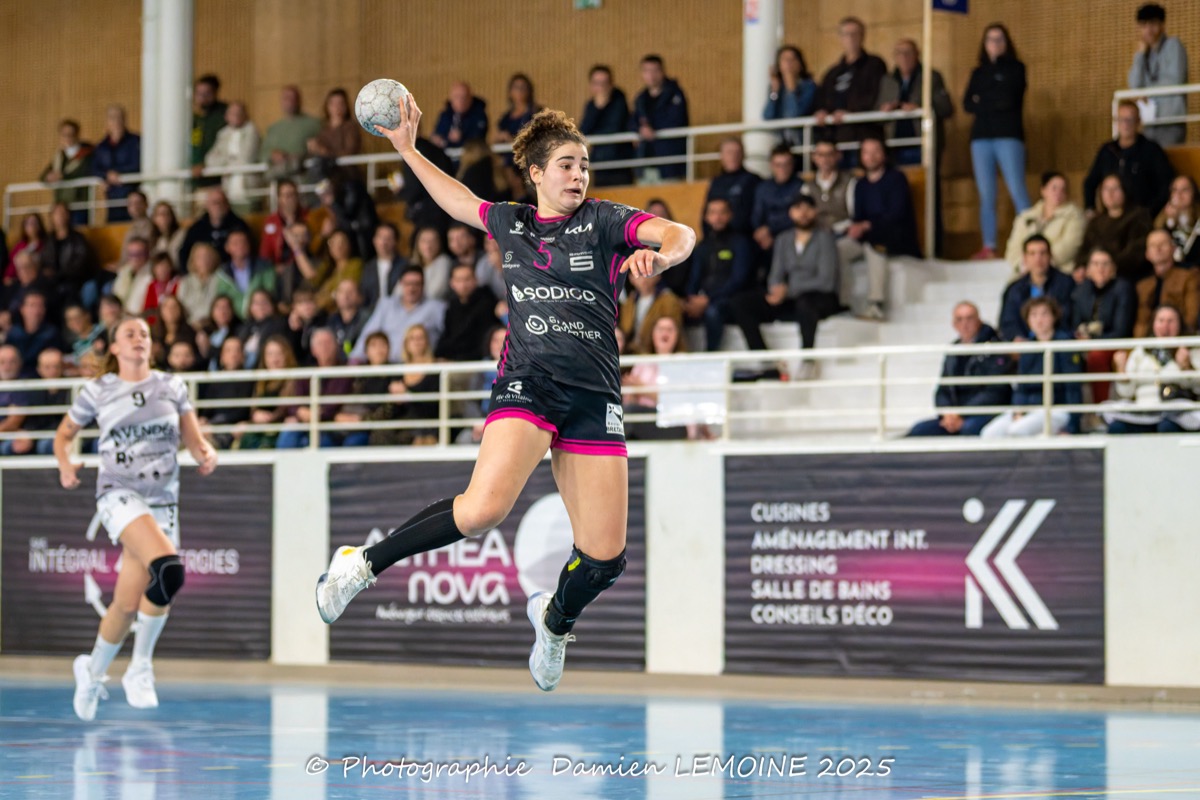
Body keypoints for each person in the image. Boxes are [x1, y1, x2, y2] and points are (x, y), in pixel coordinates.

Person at [316, 98, 694, 693]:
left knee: (606, 559)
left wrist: (663, 255)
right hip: (529, 381)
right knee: (482, 511)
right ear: (537, 173)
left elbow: (679, 232)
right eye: (566, 165)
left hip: (594, 394)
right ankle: (360, 564)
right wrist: (407, 149)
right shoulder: (512, 224)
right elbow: (456, 199)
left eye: (584, 165)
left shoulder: (604, 221)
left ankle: (554, 621)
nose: (579, 175)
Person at [56, 316, 217, 721]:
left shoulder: (172, 386)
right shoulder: (98, 390)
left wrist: (206, 453)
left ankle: (91, 672)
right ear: (114, 347)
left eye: (144, 333)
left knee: (126, 604)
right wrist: (65, 463)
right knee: (170, 571)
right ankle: (140, 667)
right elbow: (63, 435)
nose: (138, 338)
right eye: (129, 334)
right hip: (118, 494)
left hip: (163, 501)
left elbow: (194, 439)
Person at [729, 194, 840, 377]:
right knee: (740, 303)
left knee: (806, 303)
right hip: (789, 299)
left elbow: (826, 281)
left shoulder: (825, 239)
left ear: (815, 212)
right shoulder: (783, 239)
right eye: (798, 209)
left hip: (819, 297)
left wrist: (788, 290)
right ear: (790, 213)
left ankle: (808, 360)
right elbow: (775, 274)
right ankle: (766, 361)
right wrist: (776, 289)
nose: (803, 213)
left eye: (807, 209)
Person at [963, 24, 1030, 260]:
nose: (995, 44)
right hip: (981, 138)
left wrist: (983, 101)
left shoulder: (1016, 69)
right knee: (986, 194)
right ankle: (989, 245)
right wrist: (992, 100)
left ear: (1007, 42)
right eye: (990, 39)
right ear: (984, 44)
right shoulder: (978, 72)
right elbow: (967, 103)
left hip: (1008, 136)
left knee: (1017, 188)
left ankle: (1031, 241)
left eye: (999, 39)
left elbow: (1009, 99)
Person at [907, 302, 1012, 437]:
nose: (965, 324)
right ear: (954, 324)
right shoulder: (953, 351)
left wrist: (962, 413)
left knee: (968, 429)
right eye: (959, 319)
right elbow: (942, 390)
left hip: (985, 413)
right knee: (919, 430)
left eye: (969, 318)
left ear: (978, 321)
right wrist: (948, 413)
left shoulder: (994, 348)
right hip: (956, 415)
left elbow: (995, 392)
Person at [982, 298, 1083, 438]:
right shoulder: (1028, 348)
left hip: (1056, 408)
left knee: (1017, 430)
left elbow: (1072, 387)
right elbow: (1021, 387)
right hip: (1030, 409)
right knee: (989, 433)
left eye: (1044, 314)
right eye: (1034, 315)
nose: (1039, 320)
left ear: (1054, 317)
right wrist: (1018, 411)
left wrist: (1072, 426)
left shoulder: (1065, 345)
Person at [844, 136, 920, 321]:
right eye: (866, 152)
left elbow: (896, 214)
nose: (871, 156)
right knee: (839, 249)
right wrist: (856, 227)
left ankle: (876, 303)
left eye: (876, 151)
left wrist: (868, 225)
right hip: (866, 235)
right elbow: (858, 216)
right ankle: (843, 302)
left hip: (896, 235)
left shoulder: (896, 179)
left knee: (874, 244)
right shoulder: (860, 185)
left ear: (884, 154)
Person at [1105, 305, 1200, 433]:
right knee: (1116, 427)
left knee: (1166, 426)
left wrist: (1187, 367)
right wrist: (1121, 370)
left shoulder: (1191, 349)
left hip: (1176, 412)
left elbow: (1197, 388)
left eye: (1171, 321)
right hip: (1143, 410)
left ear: (1180, 325)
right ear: (1153, 324)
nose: (1165, 326)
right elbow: (1126, 393)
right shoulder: (1140, 351)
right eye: (1161, 320)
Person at [813, 17, 888, 164]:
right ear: (840, 38)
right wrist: (821, 111)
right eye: (846, 34)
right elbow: (821, 99)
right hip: (835, 138)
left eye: (855, 34)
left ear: (862, 36)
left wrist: (851, 111)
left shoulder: (875, 65)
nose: (851, 38)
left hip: (862, 135)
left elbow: (875, 96)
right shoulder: (832, 73)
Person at [1082, 101, 1174, 217]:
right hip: (1111, 217)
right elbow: (1090, 182)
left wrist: (1149, 212)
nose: (1125, 124)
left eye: (1130, 120)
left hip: (1140, 216)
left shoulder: (1151, 150)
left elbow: (1166, 184)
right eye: (1121, 119)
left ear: (1138, 122)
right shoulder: (1107, 151)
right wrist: (1090, 209)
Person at [688, 198, 754, 352]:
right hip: (704, 300)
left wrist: (709, 299)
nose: (717, 217)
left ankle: (710, 356)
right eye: (713, 213)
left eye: (722, 212)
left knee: (713, 312)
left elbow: (738, 280)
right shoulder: (702, 247)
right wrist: (690, 299)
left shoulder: (740, 243)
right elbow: (694, 277)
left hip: (730, 300)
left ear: (730, 215)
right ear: (706, 217)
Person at [1072, 246, 1136, 404]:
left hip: (1113, 343)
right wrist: (1080, 337)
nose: (1100, 268)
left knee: (1096, 356)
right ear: (1088, 269)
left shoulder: (1123, 289)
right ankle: (1071, 410)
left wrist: (1092, 341)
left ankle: (1101, 407)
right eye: (1095, 264)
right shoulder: (1080, 291)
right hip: (1085, 343)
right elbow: (1075, 323)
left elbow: (1121, 330)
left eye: (1105, 264)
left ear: (1113, 268)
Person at [877, 38, 954, 167]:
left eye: (908, 52)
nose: (904, 57)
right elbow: (877, 113)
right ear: (895, 57)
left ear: (917, 54)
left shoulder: (931, 77)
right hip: (894, 146)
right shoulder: (887, 81)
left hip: (923, 143)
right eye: (899, 53)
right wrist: (885, 109)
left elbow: (946, 108)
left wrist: (920, 108)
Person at [349, 266, 446, 362]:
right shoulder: (386, 305)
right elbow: (369, 334)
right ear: (400, 284)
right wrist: (355, 360)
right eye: (407, 284)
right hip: (388, 366)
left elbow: (448, 337)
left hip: (419, 365)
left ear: (423, 285)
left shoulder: (436, 307)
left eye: (416, 284)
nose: (412, 288)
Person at [1128, 3, 1189, 147]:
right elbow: (1134, 85)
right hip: (1149, 121)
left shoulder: (1173, 45)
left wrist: (1147, 92)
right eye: (1144, 25)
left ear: (1162, 25)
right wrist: (1140, 55)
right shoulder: (1144, 54)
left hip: (1170, 120)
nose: (1148, 30)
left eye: (1153, 24)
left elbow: (1176, 80)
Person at [1003, 172, 1087, 277]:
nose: (1058, 192)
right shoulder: (1025, 217)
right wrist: (1024, 266)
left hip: (1060, 273)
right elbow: (1013, 249)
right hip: (1024, 273)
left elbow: (1069, 247)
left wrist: (1039, 264)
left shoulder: (1075, 216)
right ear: (1043, 190)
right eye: (1054, 188)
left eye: (1063, 189)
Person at [999, 234, 1076, 341]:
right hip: (1025, 347)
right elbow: (1008, 322)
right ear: (1025, 258)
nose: (1038, 259)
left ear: (1050, 256)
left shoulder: (1067, 283)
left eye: (1042, 253)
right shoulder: (1014, 289)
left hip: (1059, 343)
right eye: (1032, 253)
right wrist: (1016, 338)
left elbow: (1071, 318)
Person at [1080, 174, 1154, 282]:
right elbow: (1084, 250)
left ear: (1125, 191)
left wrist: (1108, 267)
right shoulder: (1095, 222)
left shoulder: (1139, 217)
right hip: (1096, 277)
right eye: (1106, 189)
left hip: (1126, 275)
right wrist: (1082, 266)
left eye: (1115, 188)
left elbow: (1136, 253)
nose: (1110, 193)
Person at [632, 55, 690, 181]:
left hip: (669, 163)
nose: (651, 75)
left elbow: (676, 120)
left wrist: (652, 127)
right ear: (642, 74)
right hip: (646, 162)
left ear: (662, 72)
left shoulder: (675, 94)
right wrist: (640, 129)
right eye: (647, 71)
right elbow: (632, 120)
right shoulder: (641, 99)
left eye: (655, 70)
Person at [1133, 229, 1200, 337]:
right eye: (1153, 245)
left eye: (1163, 244)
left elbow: (1192, 316)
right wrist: (1140, 344)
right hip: (1150, 342)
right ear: (1147, 254)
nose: (1158, 249)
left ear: (1173, 248)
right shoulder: (1142, 285)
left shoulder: (1190, 276)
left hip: (1180, 339)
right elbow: (1140, 322)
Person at [579, 65, 633, 187]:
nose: (601, 88)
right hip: (600, 163)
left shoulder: (619, 102)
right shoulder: (591, 106)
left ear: (611, 84)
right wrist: (597, 109)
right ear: (591, 86)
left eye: (605, 83)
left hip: (621, 162)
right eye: (597, 83)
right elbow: (583, 131)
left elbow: (614, 128)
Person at [205, 101, 263, 213]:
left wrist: (225, 163)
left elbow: (247, 158)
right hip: (228, 189)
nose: (236, 116)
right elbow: (210, 160)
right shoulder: (223, 134)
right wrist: (231, 159)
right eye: (232, 113)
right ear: (226, 116)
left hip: (249, 188)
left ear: (245, 115)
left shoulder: (252, 130)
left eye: (239, 113)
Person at [434, 264, 499, 362]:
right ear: (452, 283)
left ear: (475, 280)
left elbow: (483, 341)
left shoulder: (486, 303)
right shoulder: (452, 306)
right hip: (454, 359)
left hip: (476, 361)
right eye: (458, 280)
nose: (463, 285)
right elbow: (447, 335)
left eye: (467, 279)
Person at [43, 202, 100, 310]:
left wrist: (57, 274)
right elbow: (44, 261)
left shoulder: (78, 239)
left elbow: (79, 265)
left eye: (63, 213)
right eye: (56, 213)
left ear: (68, 215)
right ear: (51, 217)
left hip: (74, 281)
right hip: (53, 281)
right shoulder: (48, 240)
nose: (60, 216)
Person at [178, 188, 253, 271]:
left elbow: (250, 251)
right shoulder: (196, 228)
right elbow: (184, 253)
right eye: (214, 202)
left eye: (222, 202)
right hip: (203, 274)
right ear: (207, 205)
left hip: (232, 273)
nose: (218, 206)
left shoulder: (239, 225)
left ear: (228, 205)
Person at [260, 85, 321, 180]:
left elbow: (321, 148)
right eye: (286, 98)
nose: (289, 101)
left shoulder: (314, 124)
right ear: (281, 101)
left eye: (293, 98)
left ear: (299, 101)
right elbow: (263, 153)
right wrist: (272, 155)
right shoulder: (274, 128)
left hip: (303, 177)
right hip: (279, 179)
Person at [92, 105, 141, 222]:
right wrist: (106, 175)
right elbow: (93, 168)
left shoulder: (135, 141)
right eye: (112, 118)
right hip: (111, 198)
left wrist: (117, 173)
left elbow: (138, 165)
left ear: (125, 120)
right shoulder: (101, 146)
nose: (116, 121)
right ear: (107, 122)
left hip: (131, 195)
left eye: (119, 117)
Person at [750, 145, 803, 255]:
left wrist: (770, 229)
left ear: (792, 165)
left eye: (786, 164)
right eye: (778, 165)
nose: (782, 169)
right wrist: (760, 231)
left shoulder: (801, 187)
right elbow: (757, 215)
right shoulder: (763, 188)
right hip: (765, 238)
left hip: (791, 235)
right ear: (771, 166)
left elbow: (798, 217)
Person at [704, 138, 761, 238]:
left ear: (743, 155)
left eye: (737, 152)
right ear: (721, 156)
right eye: (729, 152)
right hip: (717, 238)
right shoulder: (716, 182)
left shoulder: (753, 180)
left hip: (746, 237)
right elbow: (706, 214)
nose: (733, 156)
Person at [41, 119, 95, 224]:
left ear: (77, 135)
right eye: (64, 135)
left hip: (79, 203)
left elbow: (85, 172)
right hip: (61, 205)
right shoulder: (59, 156)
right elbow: (42, 177)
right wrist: (49, 177)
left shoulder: (87, 153)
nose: (67, 138)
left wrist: (63, 176)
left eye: (71, 134)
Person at [619, 270, 684, 356]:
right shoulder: (628, 303)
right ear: (631, 278)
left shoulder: (669, 300)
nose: (644, 279)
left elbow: (672, 329)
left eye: (647, 273)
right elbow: (625, 330)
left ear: (658, 275)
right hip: (631, 352)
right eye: (639, 274)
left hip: (655, 352)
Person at [763, 45, 817, 147]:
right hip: (782, 142)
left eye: (792, 59)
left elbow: (794, 115)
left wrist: (791, 90)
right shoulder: (777, 88)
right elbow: (768, 116)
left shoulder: (809, 86)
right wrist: (774, 91)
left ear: (800, 64)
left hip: (802, 142)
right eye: (784, 59)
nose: (788, 63)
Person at [431, 81, 490, 156]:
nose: (461, 101)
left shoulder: (479, 115)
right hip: (446, 157)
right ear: (451, 98)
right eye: (457, 97)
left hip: (470, 157)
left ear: (470, 99)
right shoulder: (445, 115)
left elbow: (478, 138)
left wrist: (461, 137)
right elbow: (438, 134)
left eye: (464, 97)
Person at [190, 74, 228, 188]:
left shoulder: (224, 115)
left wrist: (206, 163)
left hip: (217, 176)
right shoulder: (195, 119)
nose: (202, 97)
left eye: (207, 93)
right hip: (196, 178)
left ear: (215, 93)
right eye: (198, 93)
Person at [360, 222, 407, 312]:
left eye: (388, 239)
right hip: (372, 312)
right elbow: (365, 295)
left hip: (398, 311)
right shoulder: (368, 267)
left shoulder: (405, 265)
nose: (383, 242)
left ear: (395, 242)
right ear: (374, 240)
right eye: (380, 237)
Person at [1155, 175, 1200, 267]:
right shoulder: (1163, 219)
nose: (1179, 194)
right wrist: (1169, 224)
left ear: (1194, 193)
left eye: (1185, 190)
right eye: (1174, 190)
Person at [259, 180, 307, 266]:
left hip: (302, 265)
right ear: (279, 198)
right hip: (278, 267)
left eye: (292, 194)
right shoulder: (271, 221)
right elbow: (265, 252)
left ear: (297, 197)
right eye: (286, 195)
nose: (289, 199)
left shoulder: (307, 217)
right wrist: (273, 268)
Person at [409, 225, 454, 303]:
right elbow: (398, 292)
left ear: (439, 244)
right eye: (424, 241)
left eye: (433, 241)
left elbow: (435, 293)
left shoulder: (444, 261)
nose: (428, 246)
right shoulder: (413, 263)